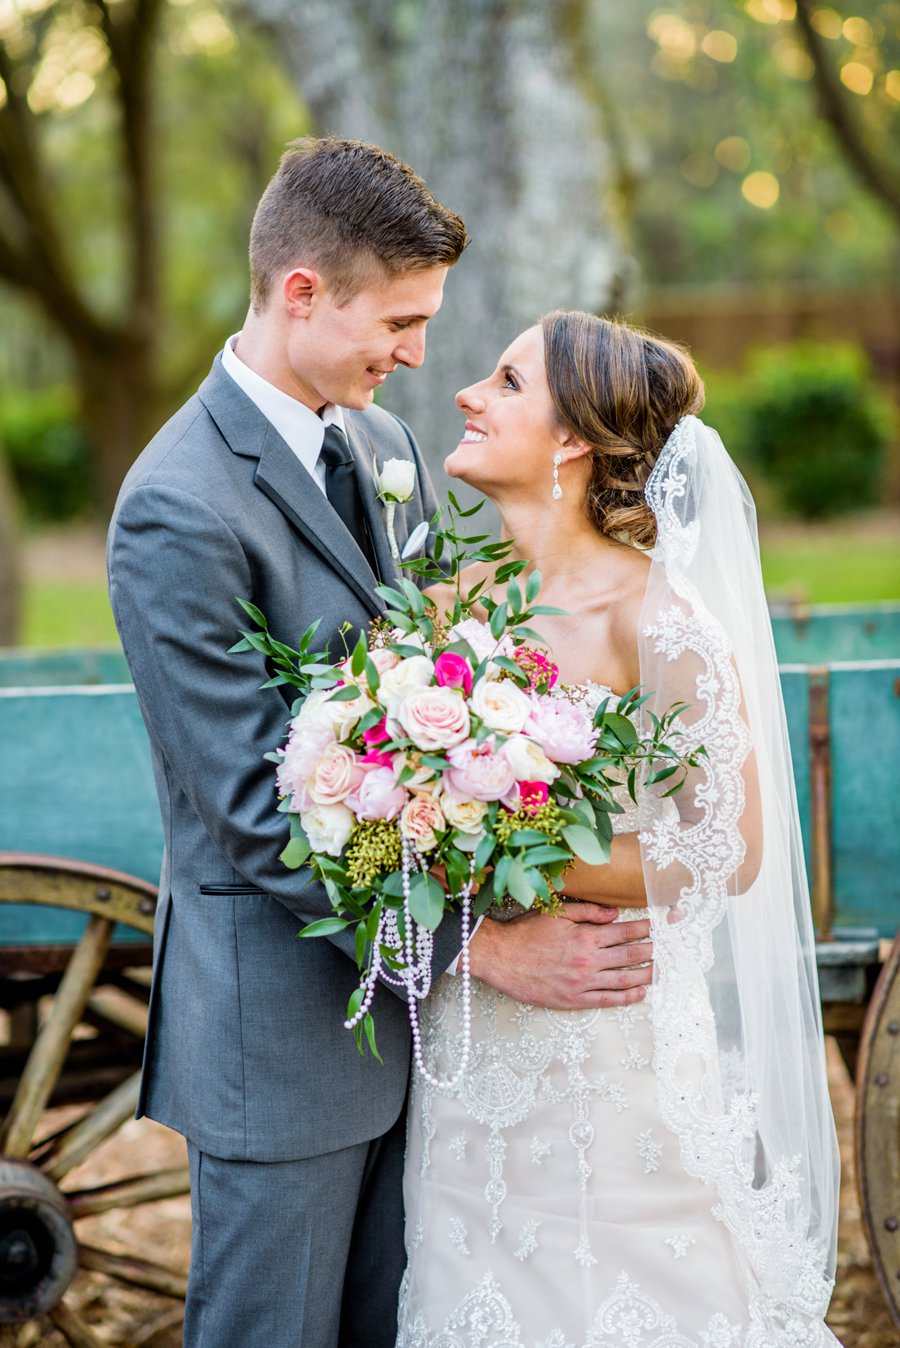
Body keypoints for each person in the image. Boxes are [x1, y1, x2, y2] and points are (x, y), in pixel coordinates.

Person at [107, 142, 656, 1348]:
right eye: (398, 322)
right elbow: (258, 811)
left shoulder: (389, 452)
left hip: (431, 1057)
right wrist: (480, 947)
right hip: (289, 1038)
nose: (414, 355)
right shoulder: (177, 507)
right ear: (302, 291)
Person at [396, 311, 841, 1346]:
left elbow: (725, 847)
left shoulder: (654, 615)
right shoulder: (446, 608)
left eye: (505, 382)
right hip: (474, 1044)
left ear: (570, 442)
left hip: (607, 1044)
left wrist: (524, 868)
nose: (467, 393)